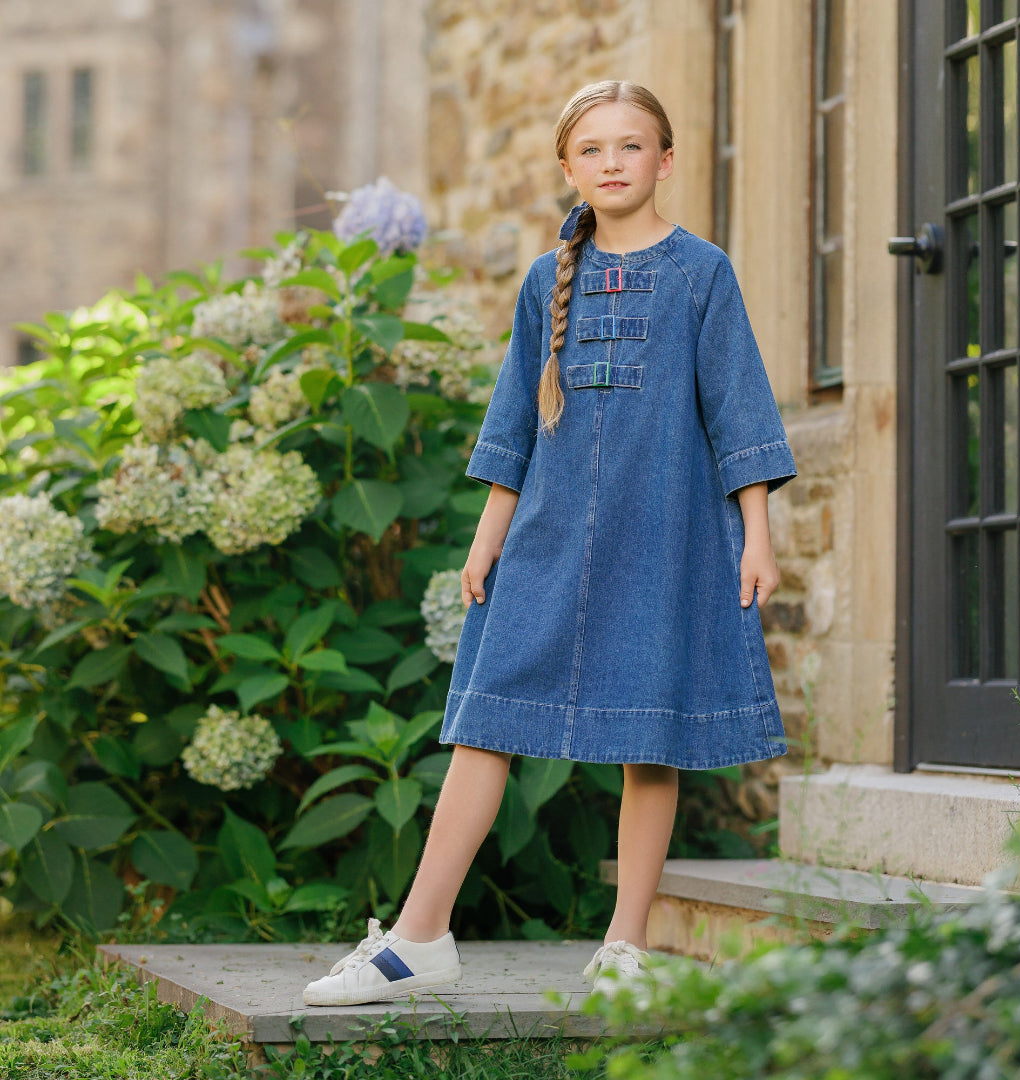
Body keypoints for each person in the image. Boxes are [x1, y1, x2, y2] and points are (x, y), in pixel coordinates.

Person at [303, 79, 797, 1008]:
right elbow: (512, 431)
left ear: (665, 159)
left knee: (649, 742)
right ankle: (419, 937)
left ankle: (626, 945)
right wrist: (487, 542)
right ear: (568, 167)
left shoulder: (703, 275)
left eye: (632, 146)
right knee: (486, 719)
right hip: (546, 538)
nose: (613, 163)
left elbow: (739, 413)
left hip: (668, 538)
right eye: (594, 150)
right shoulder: (544, 282)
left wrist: (756, 537)